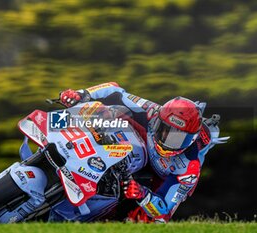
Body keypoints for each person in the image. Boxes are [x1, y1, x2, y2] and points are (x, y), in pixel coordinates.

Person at [58, 82, 229, 223]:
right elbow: (116, 90)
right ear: (159, 120)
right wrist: (81, 94)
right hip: (142, 146)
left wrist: (143, 194)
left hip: (162, 177)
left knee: (150, 222)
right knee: (111, 114)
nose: (167, 140)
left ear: (190, 141)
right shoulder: (152, 110)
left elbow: (164, 211)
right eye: (164, 130)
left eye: (177, 139)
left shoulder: (189, 167)